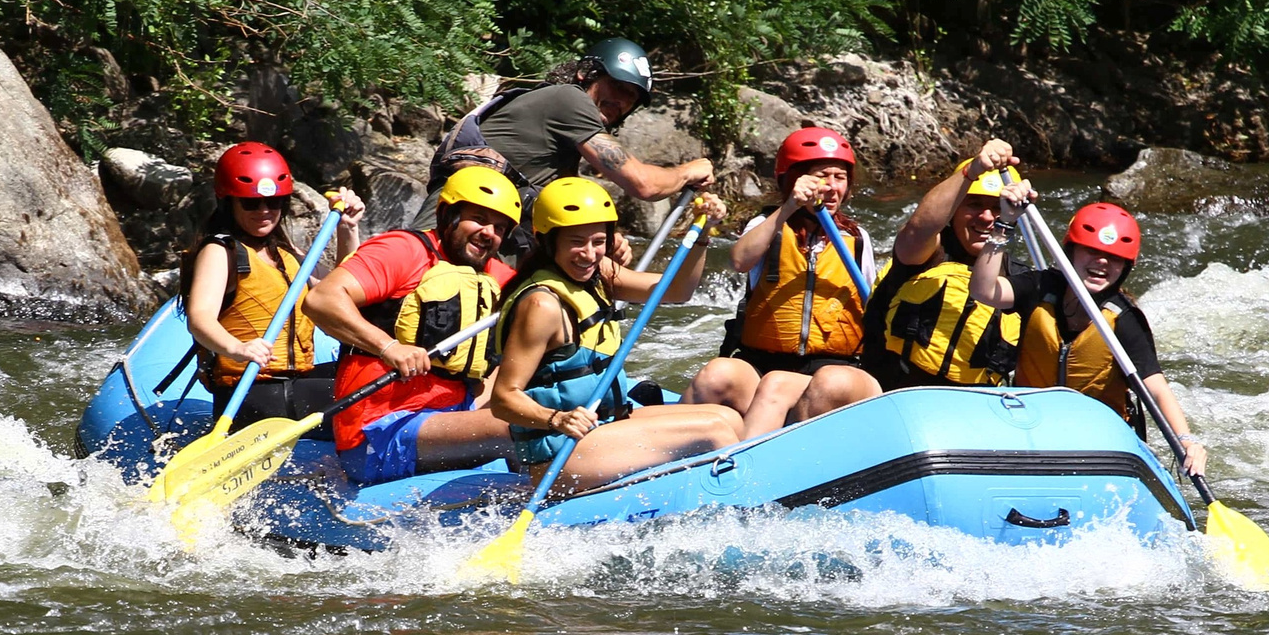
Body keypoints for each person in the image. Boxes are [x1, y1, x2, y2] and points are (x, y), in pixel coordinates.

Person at [486, 178, 743, 490]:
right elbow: (502, 400)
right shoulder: (542, 304)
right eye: (575, 242)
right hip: (559, 455)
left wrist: (702, 235)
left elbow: (677, 291)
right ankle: (736, 507)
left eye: (598, 241)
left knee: (728, 418)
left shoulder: (599, 274)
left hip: (605, 428)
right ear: (546, 240)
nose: (589, 254)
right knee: (716, 431)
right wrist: (556, 419)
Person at [300, 167, 522, 487]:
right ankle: (543, 509)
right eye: (479, 218)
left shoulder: (494, 276)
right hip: (380, 431)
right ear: (448, 214)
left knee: (545, 405)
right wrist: (388, 347)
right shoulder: (403, 251)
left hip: (451, 418)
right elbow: (321, 300)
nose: (489, 232)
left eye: (500, 227)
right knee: (520, 426)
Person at [986, 193, 1207, 478]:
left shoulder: (1124, 318)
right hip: (1029, 422)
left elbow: (1156, 387)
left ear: (1126, 267)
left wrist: (1187, 441)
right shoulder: (1041, 287)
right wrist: (1004, 224)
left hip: (1096, 438)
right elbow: (985, 290)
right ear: (1071, 252)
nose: (1102, 262)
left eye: (1115, 258)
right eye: (1091, 251)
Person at [684, 126, 883, 438]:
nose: (831, 187)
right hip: (760, 365)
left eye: (840, 177)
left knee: (777, 384)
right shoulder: (767, 225)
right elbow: (739, 261)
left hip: (829, 372)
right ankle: (668, 453)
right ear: (794, 180)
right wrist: (789, 206)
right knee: (715, 374)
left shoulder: (857, 240)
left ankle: (741, 469)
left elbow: (873, 306)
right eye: (822, 176)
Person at [182, 142, 362, 422]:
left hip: (294, 383)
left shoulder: (285, 253)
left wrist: (347, 229)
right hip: (252, 392)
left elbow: (346, 289)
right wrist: (237, 348)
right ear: (228, 202)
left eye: (273, 202)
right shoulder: (220, 251)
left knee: (371, 370)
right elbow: (200, 318)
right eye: (251, 202)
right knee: (369, 393)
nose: (264, 210)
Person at [434, 37, 714, 210]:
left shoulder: (560, 142)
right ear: (585, 74)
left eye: (632, 97)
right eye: (616, 85)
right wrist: (688, 171)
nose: (621, 101)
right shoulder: (569, 100)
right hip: (448, 247)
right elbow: (643, 184)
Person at [858, 140, 1031, 391]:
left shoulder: (1019, 281)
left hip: (966, 409)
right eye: (974, 205)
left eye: (996, 208)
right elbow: (919, 227)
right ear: (955, 210)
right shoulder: (928, 250)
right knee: (835, 380)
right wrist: (972, 171)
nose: (985, 217)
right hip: (890, 392)